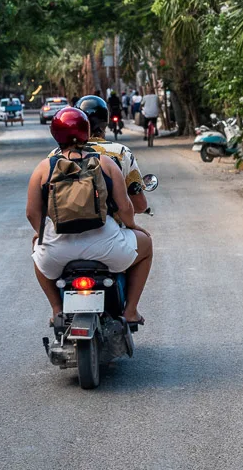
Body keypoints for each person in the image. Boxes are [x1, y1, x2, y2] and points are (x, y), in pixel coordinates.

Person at [28, 107, 152, 325]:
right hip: (107, 247)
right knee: (147, 246)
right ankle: (131, 311)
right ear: (86, 130)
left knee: (35, 248)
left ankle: (57, 309)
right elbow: (125, 207)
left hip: (57, 251)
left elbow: (31, 213)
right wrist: (133, 226)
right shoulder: (105, 163)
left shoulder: (43, 167)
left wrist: (42, 233)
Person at [69, 95, 149, 214]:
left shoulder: (56, 154)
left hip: (65, 230)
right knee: (143, 234)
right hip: (111, 229)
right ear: (104, 124)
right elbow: (140, 206)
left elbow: (35, 211)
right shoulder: (120, 153)